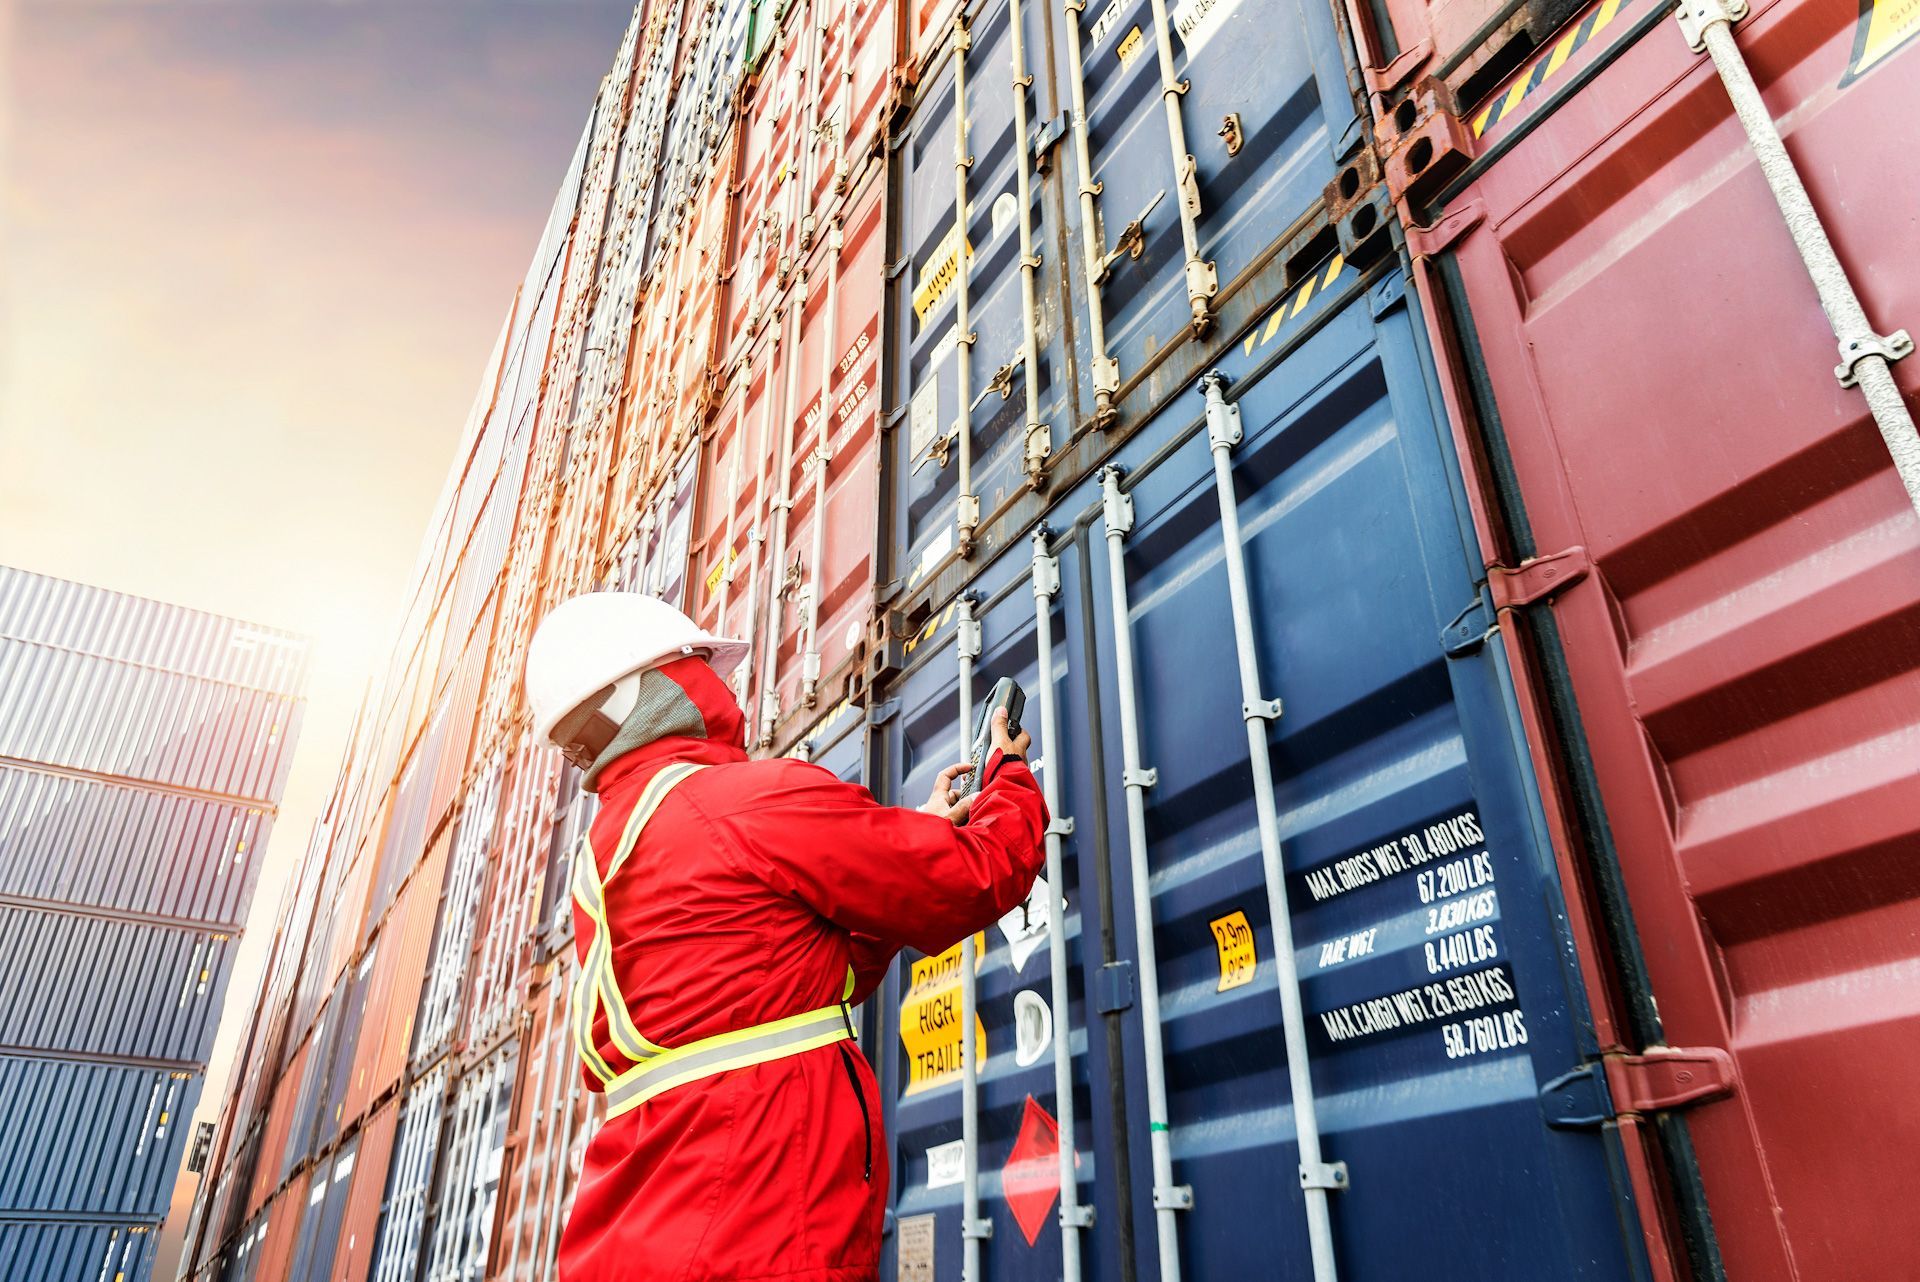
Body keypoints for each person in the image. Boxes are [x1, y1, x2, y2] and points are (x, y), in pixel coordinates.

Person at [522, 591, 1048, 1282]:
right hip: (752, 1227)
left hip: (641, 1231)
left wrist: (912, 841)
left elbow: (794, 983)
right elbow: (971, 881)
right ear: (651, 690)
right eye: (698, 664)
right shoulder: (747, 801)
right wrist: (1008, 781)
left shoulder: (609, 858)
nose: (719, 681)